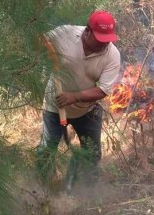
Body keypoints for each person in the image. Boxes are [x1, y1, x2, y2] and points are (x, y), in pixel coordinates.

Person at [36, 11, 121, 190]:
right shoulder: (65, 33)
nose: (105, 43)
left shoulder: (112, 55)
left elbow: (103, 90)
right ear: (88, 31)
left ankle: (86, 191)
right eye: (101, 39)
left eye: (108, 39)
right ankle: (43, 191)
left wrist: (74, 97)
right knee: (46, 151)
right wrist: (41, 47)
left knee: (92, 153)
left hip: (86, 110)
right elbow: (39, 40)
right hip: (55, 106)